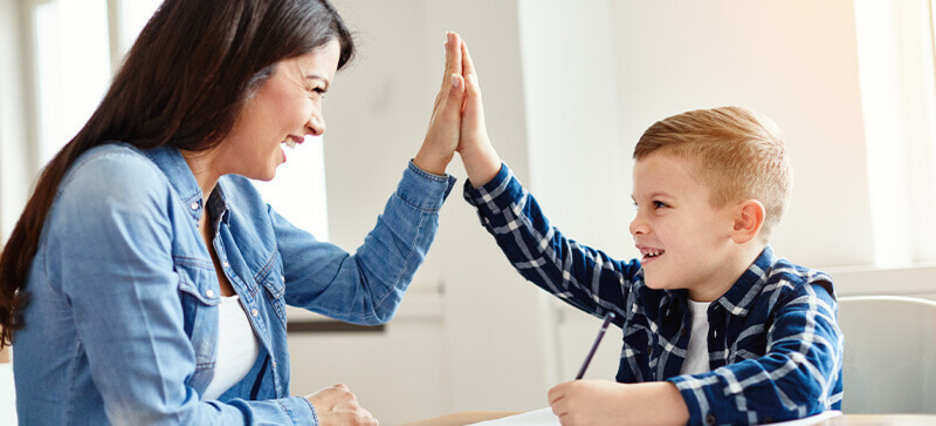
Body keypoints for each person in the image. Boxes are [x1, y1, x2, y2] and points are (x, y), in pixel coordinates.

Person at [0, 0, 471, 423]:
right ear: (232, 66)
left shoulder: (237, 206)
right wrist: (306, 416)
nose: (318, 121)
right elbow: (157, 420)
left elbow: (366, 293)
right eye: (313, 88)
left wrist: (435, 154)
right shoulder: (116, 189)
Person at [452, 41, 843, 425]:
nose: (636, 224)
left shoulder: (797, 296)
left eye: (659, 205)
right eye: (636, 205)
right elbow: (550, 258)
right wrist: (476, 152)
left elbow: (798, 383)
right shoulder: (645, 292)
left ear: (741, 223)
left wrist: (637, 406)